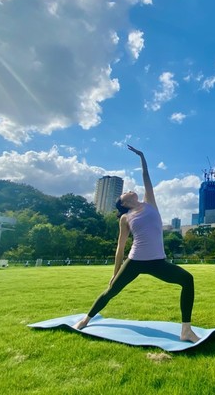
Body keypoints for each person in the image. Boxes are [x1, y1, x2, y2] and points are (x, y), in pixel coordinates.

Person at [73, 145, 200, 343]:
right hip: (135, 261)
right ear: (123, 203)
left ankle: (186, 331)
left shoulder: (149, 203)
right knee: (111, 291)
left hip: (158, 261)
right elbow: (120, 247)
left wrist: (142, 156)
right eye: (125, 193)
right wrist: (114, 273)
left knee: (187, 280)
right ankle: (86, 319)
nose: (131, 191)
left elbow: (146, 177)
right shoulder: (125, 218)